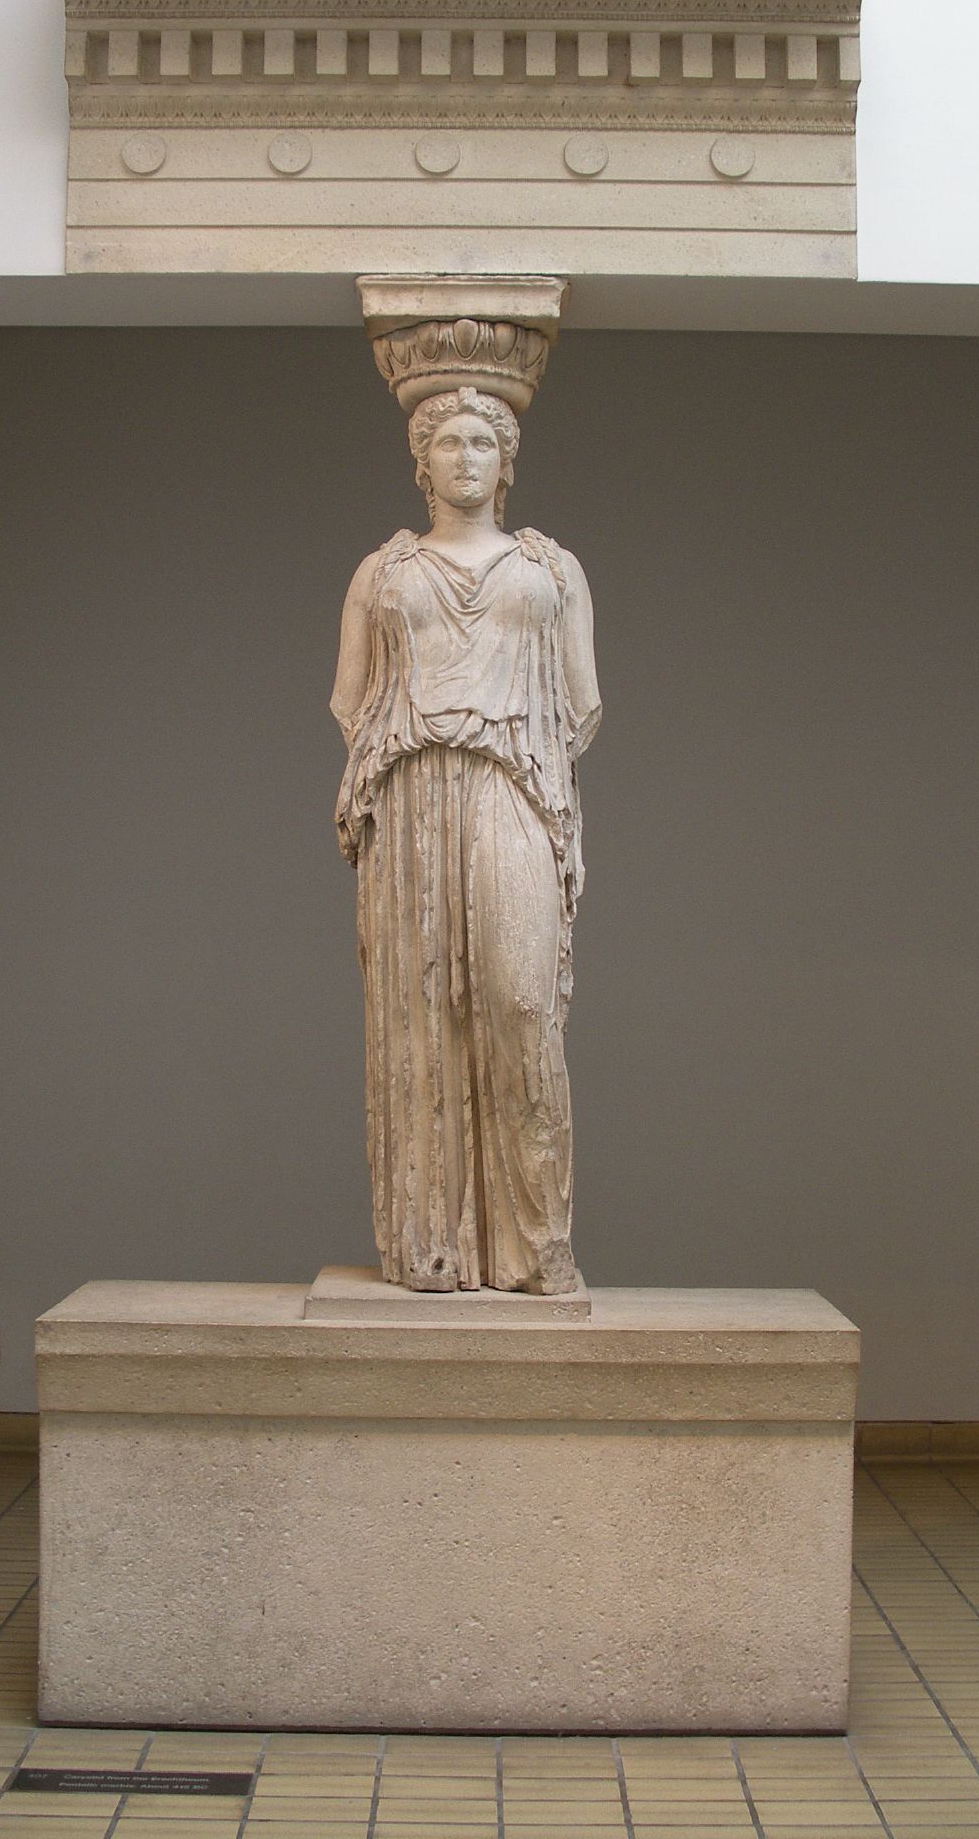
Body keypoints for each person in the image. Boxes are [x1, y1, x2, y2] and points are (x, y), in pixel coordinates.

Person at [331, 386, 600, 1293]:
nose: (466, 456)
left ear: (506, 459)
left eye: (483, 441)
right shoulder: (384, 574)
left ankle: (534, 1243)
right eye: (448, 441)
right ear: (422, 461)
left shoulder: (552, 571)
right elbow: (349, 701)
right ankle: (430, 1242)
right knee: (422, 1008)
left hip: (512, 783)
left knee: (521, 1002)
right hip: (411, 799)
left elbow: (582, 703)